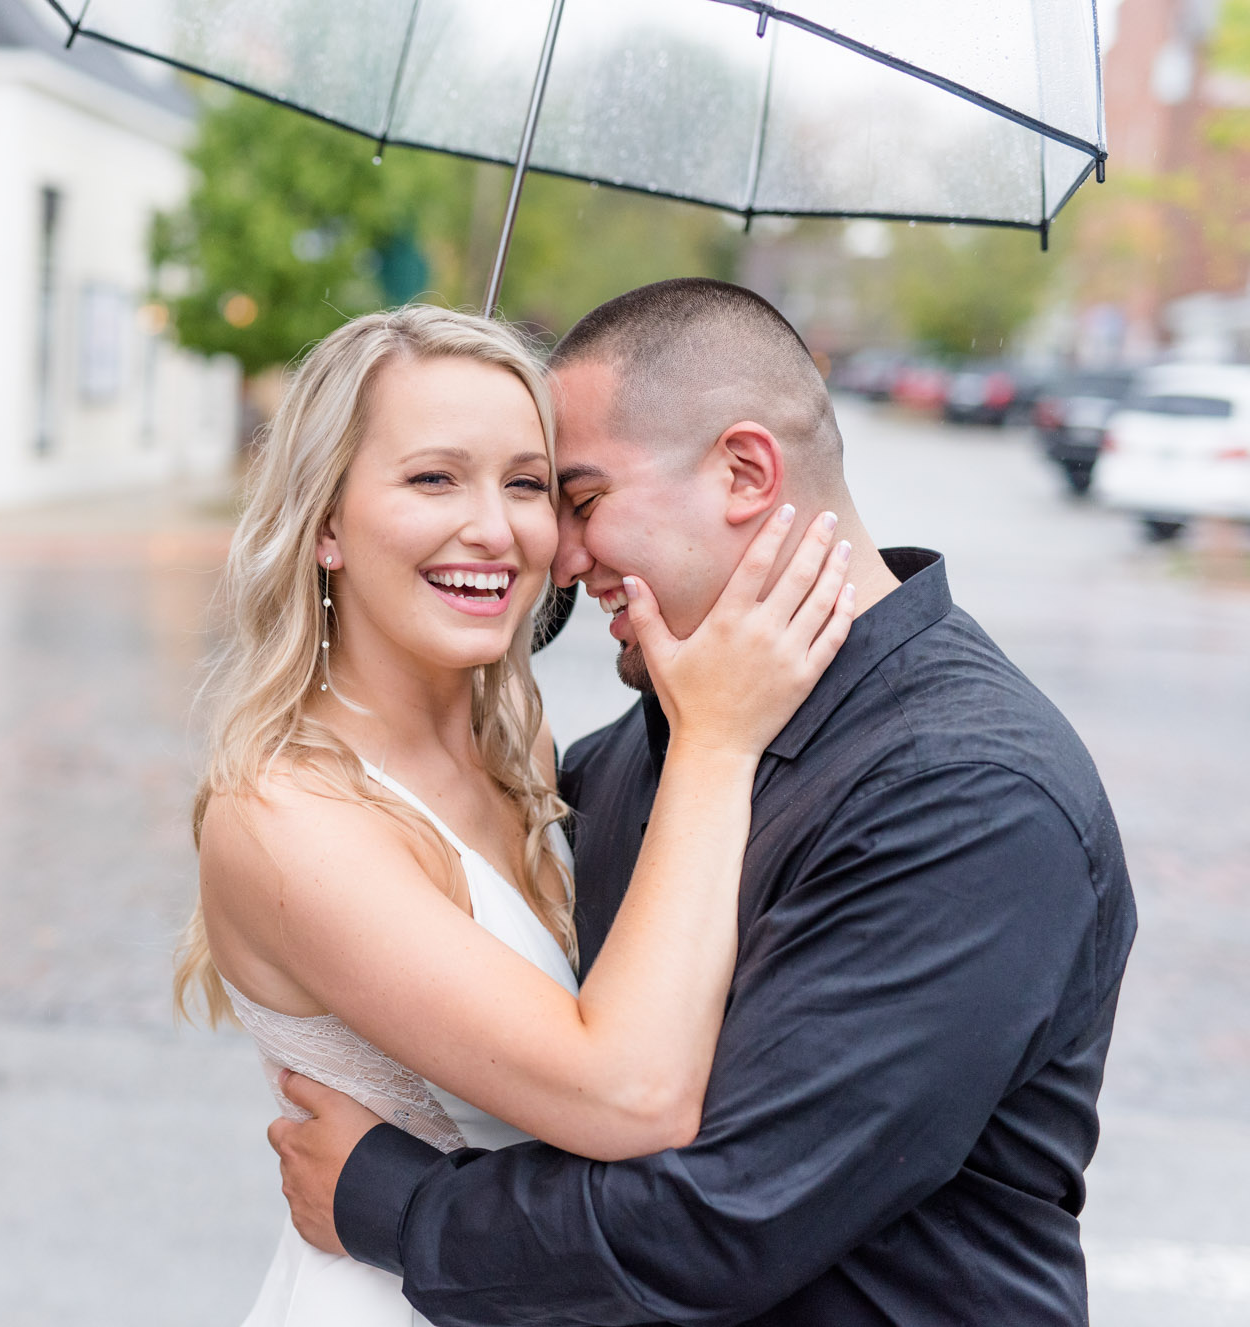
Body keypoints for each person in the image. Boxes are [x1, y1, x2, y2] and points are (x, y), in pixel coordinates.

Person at [269, 280, 1139, 1326]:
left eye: (576, 498)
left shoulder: (969, 797)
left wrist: (388, 1198)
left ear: (741, 471)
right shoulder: (645, 752)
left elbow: (719, 1218)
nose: (561, 553)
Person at [185, 304, 857, 1327]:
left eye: (529, 483)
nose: (495, 528)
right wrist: (718, 741)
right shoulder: (284, 812)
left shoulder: (522, 758)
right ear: (325, 524)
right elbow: (627, 1093)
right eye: (431, 478)